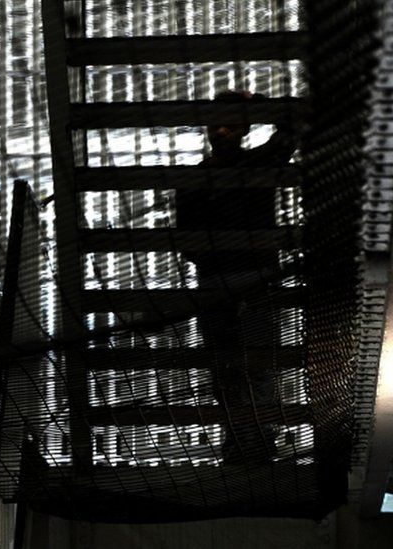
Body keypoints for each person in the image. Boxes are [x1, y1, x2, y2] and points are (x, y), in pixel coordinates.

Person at [176, 90, 299, 464]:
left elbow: (188, 244)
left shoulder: (195, 180)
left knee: (231, 369)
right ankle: (255, 442)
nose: (223, 129)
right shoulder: (259, 164)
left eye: (230, 121)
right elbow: (294, 123)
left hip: (222, 282)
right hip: (252, 278)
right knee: (249, 368)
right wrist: (254, 103)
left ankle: (244, 443)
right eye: (219, 121)